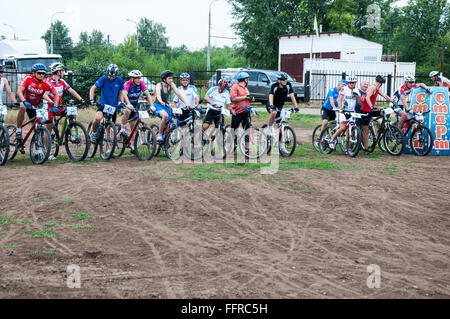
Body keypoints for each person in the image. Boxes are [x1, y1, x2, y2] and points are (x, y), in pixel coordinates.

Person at [44, 62, 85, 160]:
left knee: (72, 112)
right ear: (57, 72)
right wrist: (51, 102)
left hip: (59, 106)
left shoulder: (62, 82)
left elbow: (71, 90)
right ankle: (47, 152)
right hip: (49, 107)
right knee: (48, 128)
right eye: (62, 71)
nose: (63, 72)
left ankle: (71, 132)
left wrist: (81, 99)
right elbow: (44, 94)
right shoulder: (48, 81)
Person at [16, 63, 60, 144]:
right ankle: (18, 130)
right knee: (23, 107)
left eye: (43, 73)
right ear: (34, 73)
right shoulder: (28, 78)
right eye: (39, 73)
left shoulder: (45, 83)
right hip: (24, 100)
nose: (41, 75)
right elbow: (19, 91)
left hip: (34, 105)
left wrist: (55, 106)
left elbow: (56, 94)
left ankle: (37, 151)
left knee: (38, 128)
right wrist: (24, 101)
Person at [88, 64, 127, 144]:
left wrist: (122, 102)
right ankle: (93, 133)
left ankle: (108, 149)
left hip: (113, 106)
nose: (111, 77)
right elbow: (92, 88)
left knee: (110, 125)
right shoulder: (103, 79)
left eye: (113, 76)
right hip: (103, 105)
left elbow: (120, 92)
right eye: (110, 75)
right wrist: (91, 99)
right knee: (98, 118)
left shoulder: (119, 80)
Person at [266, 72, 300, 153]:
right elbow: (271, 96)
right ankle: (269, 128)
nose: (285, 81)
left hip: (280, 107)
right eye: (283, 80)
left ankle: (282, 146)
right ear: (279, 81)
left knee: (281, 127)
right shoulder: (274, 86)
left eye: (285, 80)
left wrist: (296, 107)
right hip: (272, 104)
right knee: (273, 113)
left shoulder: (288, 85)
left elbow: (292, 96)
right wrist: (271, 105)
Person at [153, 70, 191, 143]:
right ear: (164, 79)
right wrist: (161, 101)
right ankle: (160, 134)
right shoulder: (159, 85)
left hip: (166, 106)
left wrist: (186, 103)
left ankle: (166, 143)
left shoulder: (172, 84)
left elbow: (178, 94)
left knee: (171, 123)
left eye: (172, 78)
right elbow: (158, 94)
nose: (171, 80)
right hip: (158, 105)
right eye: (169, 78)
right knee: (165, 116)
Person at [328, 75, 362, 150]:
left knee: (352, 128)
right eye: (350, 83)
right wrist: (341, 109)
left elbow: (360, 103)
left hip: (352, 112)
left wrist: (358, 97)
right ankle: (331, 140)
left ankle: (349, 147)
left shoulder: (357, 90)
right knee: (343, 127)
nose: (351, 84)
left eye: (353, 83)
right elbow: (339, 100)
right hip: (343, 111)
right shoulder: (344, 89)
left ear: (355, 83)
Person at [360, 75, 393, 151]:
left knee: (385, 113)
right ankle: (365, 148)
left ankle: (381, 128)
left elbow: (385, 96)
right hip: (365, 110)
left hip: (371, 110)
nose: (380, 84)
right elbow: (367, 97)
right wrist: (371, 106)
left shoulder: (377, 88)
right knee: (366, 131)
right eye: (381, 83)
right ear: (380, 83)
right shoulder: (373, 88)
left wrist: (393, 102)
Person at [121, 69, 154, 139]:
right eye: (137, 78)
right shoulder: (127, 84)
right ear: (132, 78)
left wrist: (152, 105)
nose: (139, 80)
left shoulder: (141, 84)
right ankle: (122, 129)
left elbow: (147, 94)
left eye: (139, 78)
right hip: (125, 103)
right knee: (128, 111)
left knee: (134, 129)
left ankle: (133, 146)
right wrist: (128, 104)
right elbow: (124, 95)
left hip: (134, 105)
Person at [229, 71, 255, 155]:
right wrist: (245, 97)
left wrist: (251, 98)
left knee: (247, 131)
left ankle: (247, 150)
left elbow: (247, 98)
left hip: (246, 112)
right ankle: (230, 150)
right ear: (244, 79)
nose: (248, 80)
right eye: (247, 78)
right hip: (237, 112)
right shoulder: (235, 87)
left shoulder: (245, 88)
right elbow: (233, 98)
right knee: (233, 131)